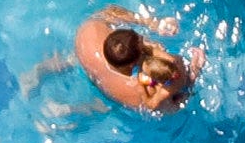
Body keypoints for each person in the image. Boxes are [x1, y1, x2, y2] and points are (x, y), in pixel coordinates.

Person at [32, 10, 197, 117]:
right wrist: (193, 74)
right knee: (102, 107)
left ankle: (39, 71)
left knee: (71, 60)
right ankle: (75, 109)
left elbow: (109, 12)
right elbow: (167, 105)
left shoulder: (90, 30)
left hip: (84, 53)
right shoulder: (138, 91)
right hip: (114, 94)